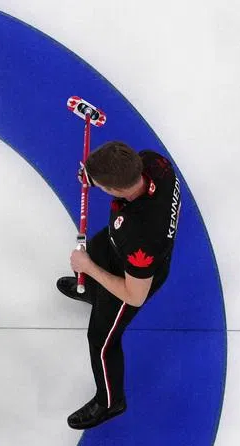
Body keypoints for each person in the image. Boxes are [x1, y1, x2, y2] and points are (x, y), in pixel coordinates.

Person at [56, 140, 182, 429]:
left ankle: (110, 402)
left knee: (101, 341)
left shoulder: (141, 236)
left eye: (101, 186)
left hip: (137, 274)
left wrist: (89, 268)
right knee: (94, 254)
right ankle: (92, 292)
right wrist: (93, 174)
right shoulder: (154, 163)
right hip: (120, 243)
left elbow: (135, 295)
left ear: (115, 190)